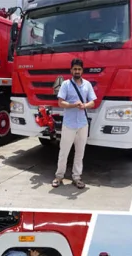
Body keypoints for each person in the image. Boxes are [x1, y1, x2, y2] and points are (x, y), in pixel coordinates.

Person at [53, 58, 96, 190]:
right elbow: (60, 102)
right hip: (69, 124)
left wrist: (85, 105)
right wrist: (73, 105)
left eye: (79, 69)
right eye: (75, 69)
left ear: (82, 70)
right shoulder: (66, 84)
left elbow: (93, 102)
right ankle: (59, 176)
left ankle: (76, 177)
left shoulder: (87, 85)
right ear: (71, 70)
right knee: (64, 151)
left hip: (83, 124)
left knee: (80, 153)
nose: (77, 71)